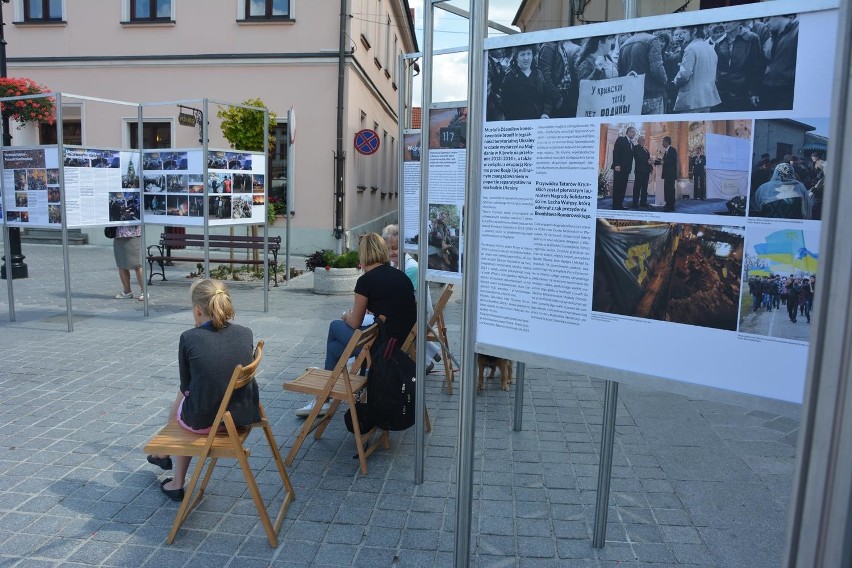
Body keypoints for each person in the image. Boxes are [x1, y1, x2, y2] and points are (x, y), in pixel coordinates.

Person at [147, 279, 260, 501]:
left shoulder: (189, 338)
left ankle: (172, 473)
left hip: (208, 424)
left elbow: (186, 386)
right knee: (191, 398)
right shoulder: (245, 333)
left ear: (198, 310)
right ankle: (163, 458)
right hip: (239, 419)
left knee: (183, 400)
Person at [296, 233, 416, 417]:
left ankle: (324, 398)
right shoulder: (400, 276)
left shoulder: (366, 280)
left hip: (382, 350)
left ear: (364, 254)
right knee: (335, 348)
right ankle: (325, 397)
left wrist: (346, 315)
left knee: (335, 326)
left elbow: (355, 321)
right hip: (399, 344)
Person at [382, 224, 441, 372]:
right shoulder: (394, 264)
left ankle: (389, 365)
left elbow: (403, 301)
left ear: (404, 246)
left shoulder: (411, 268)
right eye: (388, 249)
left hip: (418, 317)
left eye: (395, 248)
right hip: (409, 314)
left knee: (380, 326)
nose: (391, 253)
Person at [712, 20, 764, 112]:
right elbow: (716, 68)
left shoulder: (752, 38)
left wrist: (754, 92)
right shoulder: (719, 42)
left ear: (739, 21)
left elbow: (758, 67)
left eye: (728, 21)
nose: (725, 25)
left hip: (743, 91)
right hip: (722, 91)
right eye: (723, 23)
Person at [672, 26, 721, 113]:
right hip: (707, 99)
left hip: (691, 101)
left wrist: (675, 81)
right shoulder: (710, 48)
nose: (682, 36)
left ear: (694, 31)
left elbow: (684, 74)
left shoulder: (691, 48)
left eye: (684, 32)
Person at [617, 31, 667, 115]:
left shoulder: (624, 45)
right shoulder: (652, 40)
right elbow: (657, 70)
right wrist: (665, 80)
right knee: (655, 127)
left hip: (633, 98)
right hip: (653, 95)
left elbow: (621, 75)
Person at [756, 15, 798, 111]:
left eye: (767, 20)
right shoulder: (773, 36)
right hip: (768, 90)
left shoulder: (797, 31)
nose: (765, 24)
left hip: (785, 92)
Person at [498, 45, 550, 121]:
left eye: (529, 53)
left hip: (539, 122)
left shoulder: (539, 74)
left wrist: (545, 114)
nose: (526, 58)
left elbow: (547, 97)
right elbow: (505, 105)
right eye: (522, 54)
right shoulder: (509, 77)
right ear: (516, 57)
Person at [539, 40, 581, 118]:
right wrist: (557, 98)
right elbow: (544, 75)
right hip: (558, 97)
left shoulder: (559, 45)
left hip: (566, 96)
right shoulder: (548, 46)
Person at [113, 224, 147, 301]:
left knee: (137, 265)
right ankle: (127, 291)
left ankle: (144, 291)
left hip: (133, 234)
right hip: (118, 234)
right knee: (121, 264)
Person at [610, 126, 636, 210]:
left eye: (634, 132)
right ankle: (615, 205)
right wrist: (616, 164)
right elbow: (616, 152)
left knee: (623, 187)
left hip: (626, 170)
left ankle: (619, 204)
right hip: (619, 168)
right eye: (632, 131)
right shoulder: (621, 139)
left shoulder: (632, 144)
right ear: (627, 132)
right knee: (617, 187)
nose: (634, 134)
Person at [656, 136, 679, 212]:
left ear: (667, 142)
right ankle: (667, 203)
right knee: (666, 189)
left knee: (670, 190)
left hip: (671, 174)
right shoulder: (666, 151)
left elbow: (674, 161)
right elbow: (663, 161)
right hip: (666, 174)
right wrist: (654, 162)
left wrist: (664, 162)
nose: (662, 143)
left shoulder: (673, 150)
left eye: (663, 142)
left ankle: (671, 206)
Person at [632, 134, 652, 208]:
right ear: (638, 141)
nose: (644, 141)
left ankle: (643, 202)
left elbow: (649, 159)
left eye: (644, 140)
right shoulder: (636, 148)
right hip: (639, 171)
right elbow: (638, 158)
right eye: (642, 140)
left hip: (646, 171)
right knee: (637, 188)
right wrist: (648, 161)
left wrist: (651, 168)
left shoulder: (646, 149)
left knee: (644, 188)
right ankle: (635, 203)